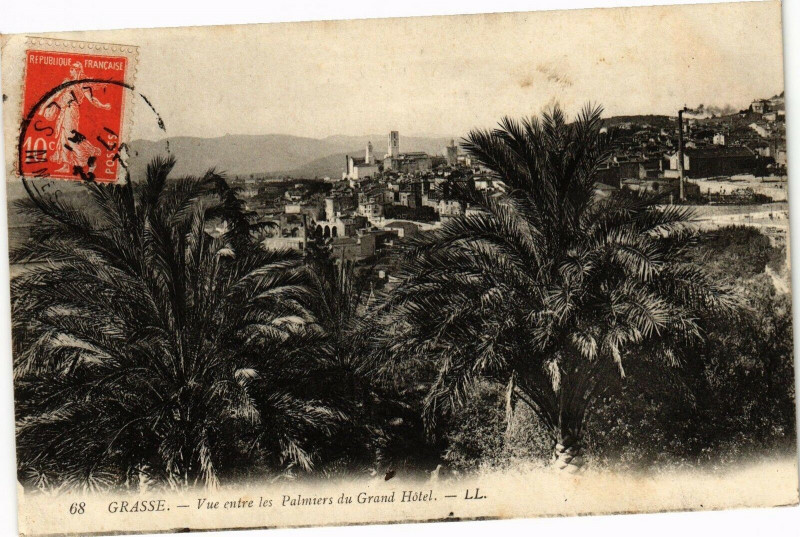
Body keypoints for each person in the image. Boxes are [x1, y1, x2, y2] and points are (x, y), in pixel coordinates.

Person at [39, 62, 111, 175]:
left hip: (72, 111)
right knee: (63, 137)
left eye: (72, 69)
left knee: (70, 136)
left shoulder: (83, 84)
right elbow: (55, 95)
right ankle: (66, 165)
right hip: (64, 111)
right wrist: (43, 107)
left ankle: (90, 156)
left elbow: (92, 99)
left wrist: (103, 106)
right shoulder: (67, 81)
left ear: (77, 70)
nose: (70, 71)